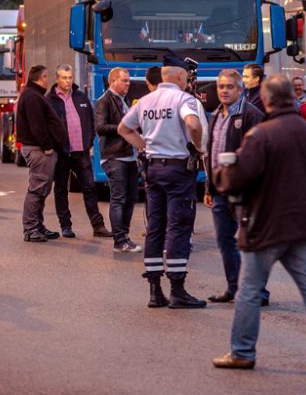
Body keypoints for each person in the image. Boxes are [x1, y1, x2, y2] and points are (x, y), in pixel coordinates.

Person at [211, 74, 306, 371]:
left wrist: (220, 176)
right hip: (301, 225)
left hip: (264, 224)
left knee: (250, 290)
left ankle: (242, 351)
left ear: (266, 100)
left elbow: (239, 177)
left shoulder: (261, 136)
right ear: (292, 99)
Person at [118, 66, 206, 310]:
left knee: (155, 227)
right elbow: (194, 125)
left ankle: (155, 291)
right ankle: (177, 290)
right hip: (178, 168)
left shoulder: (146, 101)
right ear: (179, 77)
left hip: (153, 168)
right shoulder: (183, 98)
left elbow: (123, 129)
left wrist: (145, 146)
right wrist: (198, 148)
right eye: (186, 77)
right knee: (178, 226)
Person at [203, 69, 267, 305]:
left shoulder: (252, 115)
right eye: (221, 87)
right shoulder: (215, 116)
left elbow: (261, 153)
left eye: (230, 87)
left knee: (250, 241)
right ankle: (234, 288)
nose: (224, 91)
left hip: (245, 191)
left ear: (240, 90)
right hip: (220, 191)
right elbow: (210, 154)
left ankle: (259, 292)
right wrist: (209, 187)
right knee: (225, 241)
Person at [47, 64, 112, 238]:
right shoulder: (50, 100)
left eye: (69, 77)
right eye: (64, 78)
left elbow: (92, 121)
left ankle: (98, 226)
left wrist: (89, 142)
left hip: (81, 152)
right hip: (62, 153)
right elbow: (47, 126)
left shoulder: (81, 97)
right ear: (57, 79)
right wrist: (55, 145)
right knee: (61, 190)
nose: (67, 81)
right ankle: (65, 226)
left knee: (90, 188)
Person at [17, 66, 68, 242]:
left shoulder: (33, 94)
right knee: (37, 189)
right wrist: (47, 146)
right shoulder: (32, 97)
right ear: (42, 77)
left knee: (42, 189)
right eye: (46, 76)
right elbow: (36, 124)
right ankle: (31, 229)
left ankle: (38, 226)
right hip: (38, 149)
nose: (48, 80)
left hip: (39, 148)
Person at [95, 67, 142, 253]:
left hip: (129, 155)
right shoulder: (103, 102)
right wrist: (124, 128)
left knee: (131, 197)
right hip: (114, 156)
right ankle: (119, 240)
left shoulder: (124, 100)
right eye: (124, 80)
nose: (128, 83)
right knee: (119, 198)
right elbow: (100, 127)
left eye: (129, 80)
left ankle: (125, 236)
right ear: (113, 81)